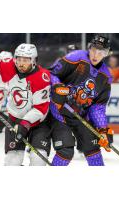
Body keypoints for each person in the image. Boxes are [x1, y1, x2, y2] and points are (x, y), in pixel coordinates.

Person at [49, 35, 114, 166]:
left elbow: (98, 107)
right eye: (94, 49)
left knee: (94, 153)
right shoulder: (76, 57)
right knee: (65, 152)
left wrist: (102, 129)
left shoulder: (106, 77)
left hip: (79, 117)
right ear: (89, 48)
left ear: (106, 54)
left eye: (101, 52)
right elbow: (52, 73)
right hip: (59, 112)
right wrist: (56, 87)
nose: (96, 54)